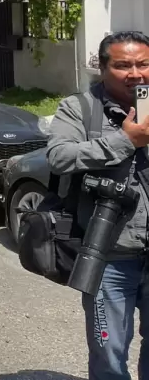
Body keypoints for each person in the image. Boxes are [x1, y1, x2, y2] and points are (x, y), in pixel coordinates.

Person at [46, 31, 149, 380]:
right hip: (110, 258)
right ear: (103, 68)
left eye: (144, 64)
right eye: (123, 65)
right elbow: (59, 157)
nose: (135, 73)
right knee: (108, 352)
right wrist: (125, 140)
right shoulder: (80, 109)